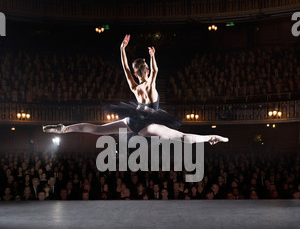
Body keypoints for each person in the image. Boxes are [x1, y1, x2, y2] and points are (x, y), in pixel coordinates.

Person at [42, 35, 229, 146]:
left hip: (133, 120)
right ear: (146, 70)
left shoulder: (135, 87)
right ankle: (210, 137)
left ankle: (65, 128)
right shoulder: (151, 83)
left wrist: (122, 49)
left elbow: (124, 67)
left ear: (136, 72)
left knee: (99, 129)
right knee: (179, 137)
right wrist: (153, 56)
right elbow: (156, 70)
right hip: (150, 124)